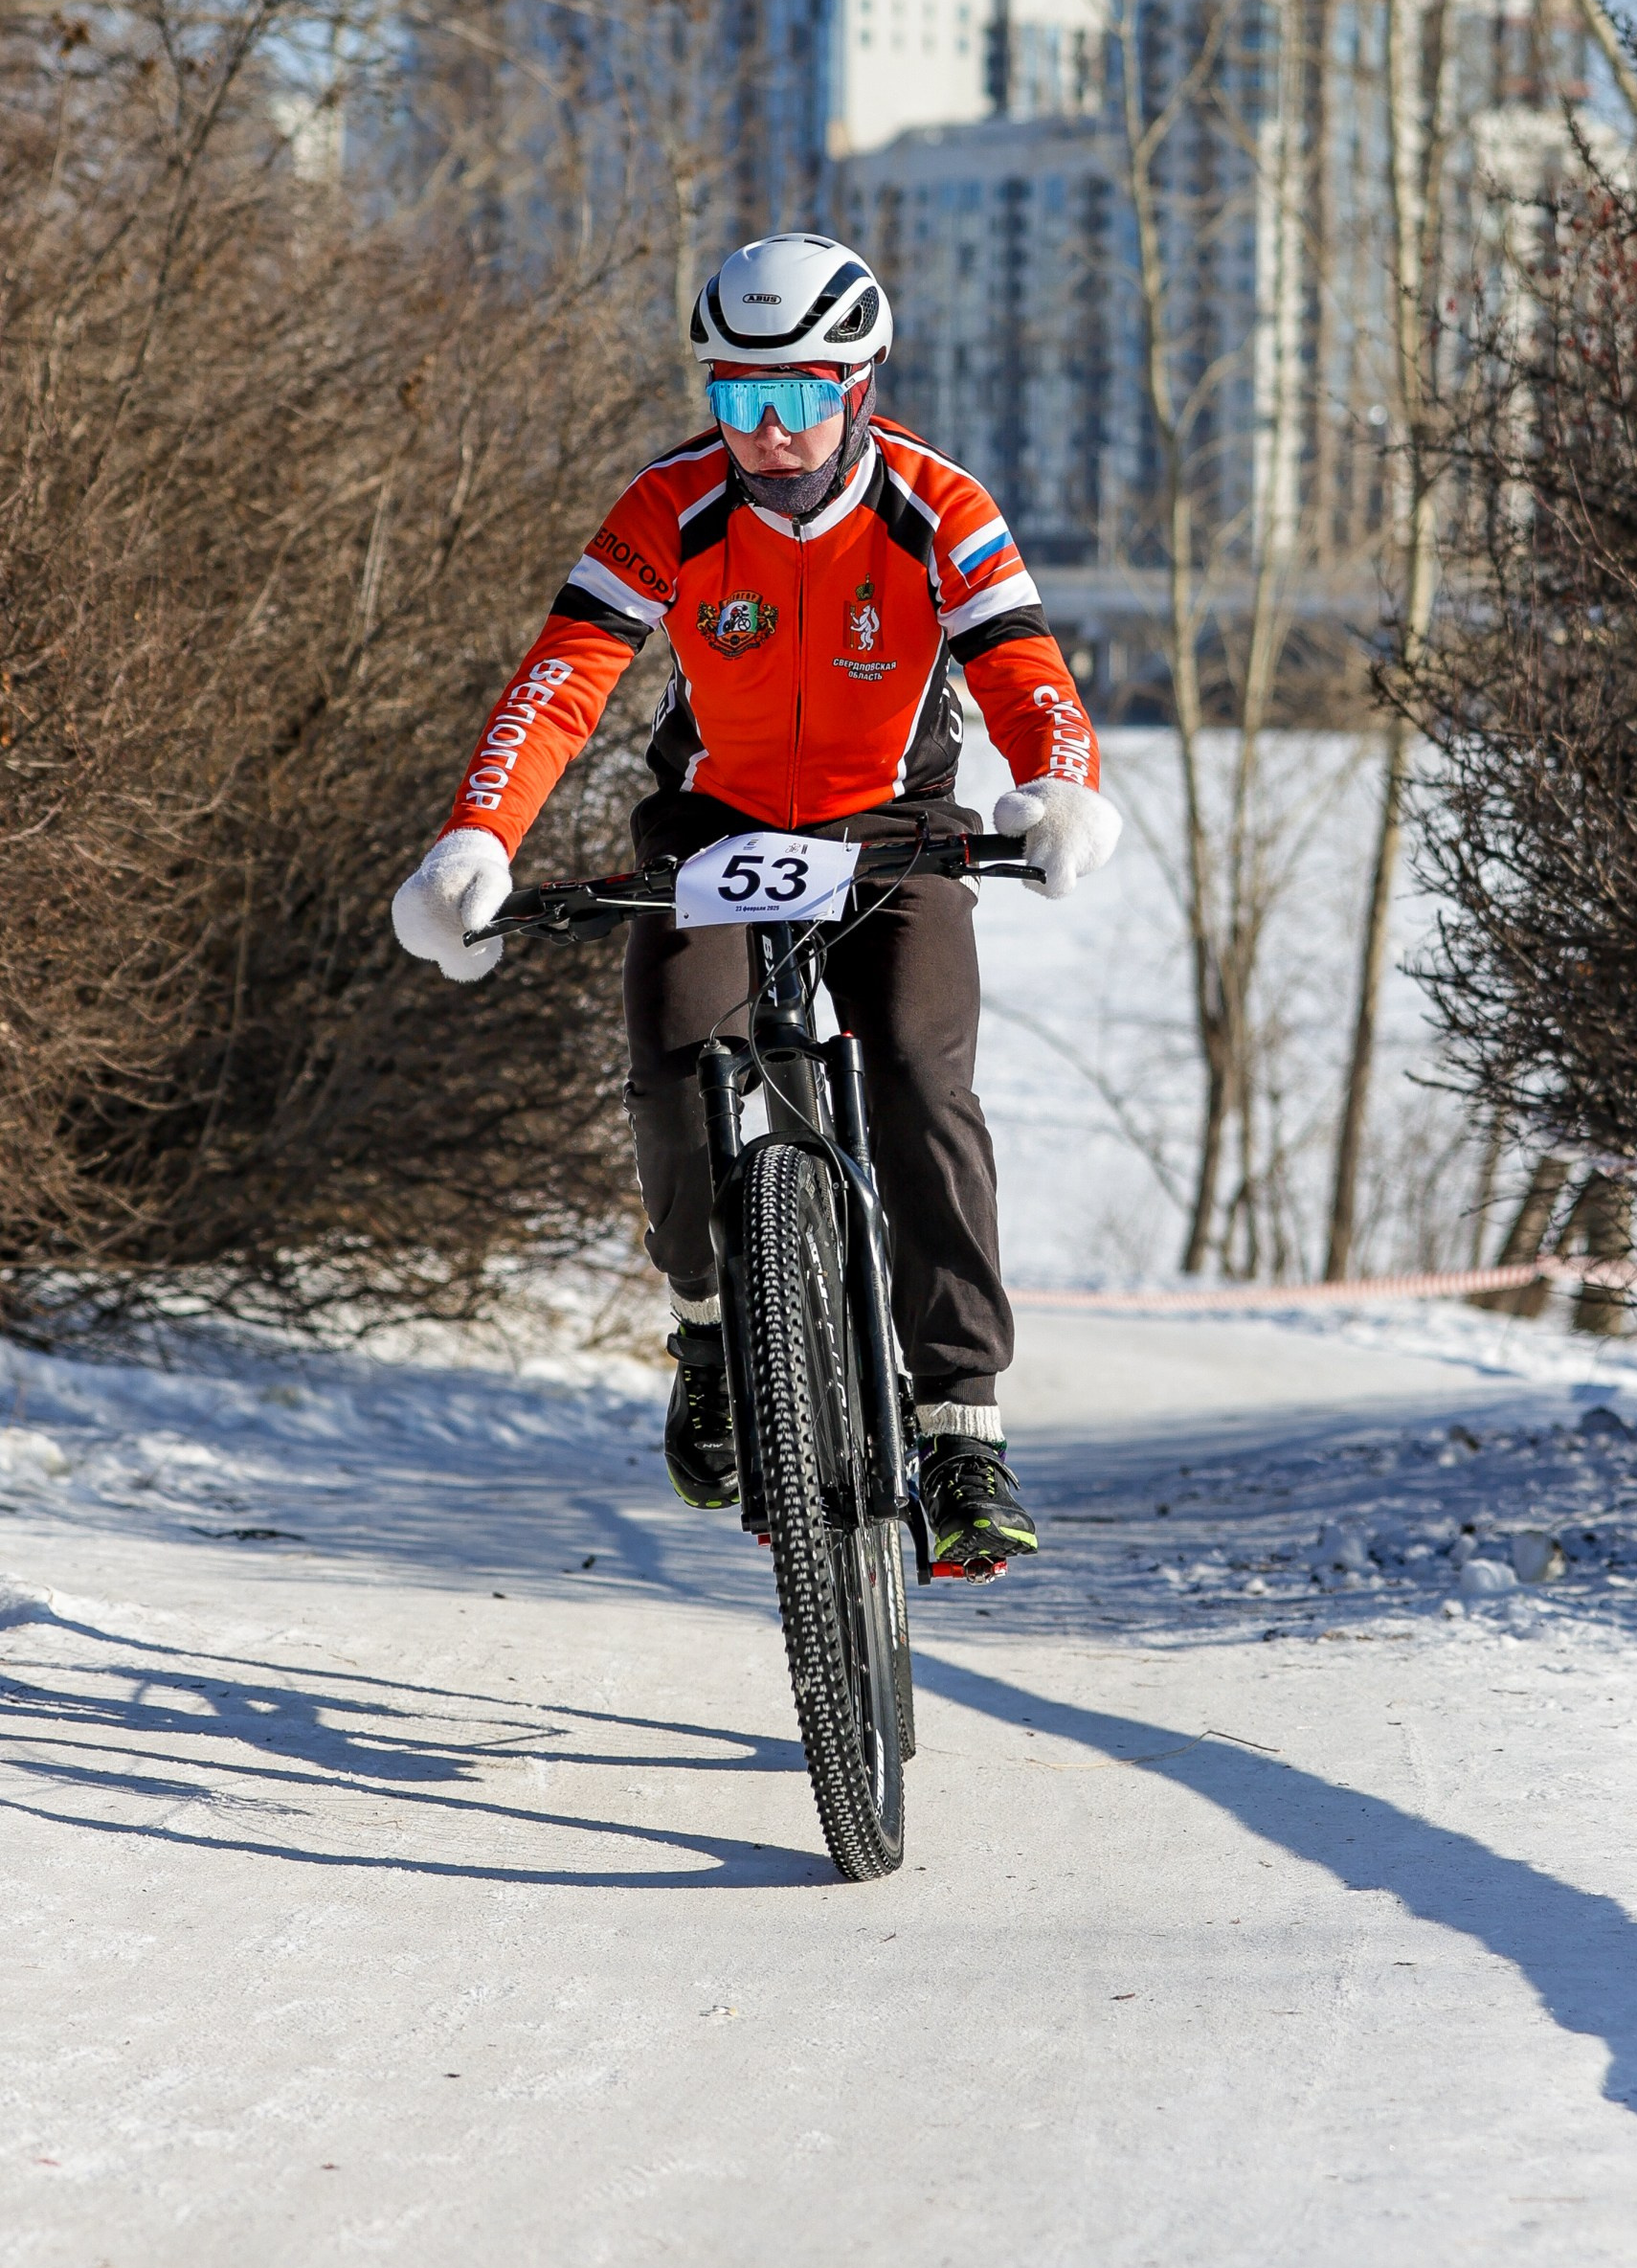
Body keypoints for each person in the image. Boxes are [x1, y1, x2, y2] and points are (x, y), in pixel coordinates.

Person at [392, 234, 1121, 1574]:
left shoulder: (938, 504)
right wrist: (478, 839)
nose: (769, 434)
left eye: (798, 399)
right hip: (715, 824)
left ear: (861, 384)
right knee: (671, 1056)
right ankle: (714, 1332)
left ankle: (962, 1426)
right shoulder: (668, 505)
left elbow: (1024, 672)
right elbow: (565, 679)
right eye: (738, 399)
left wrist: (1057, 788)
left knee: (916, 1072)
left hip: (897, 829)